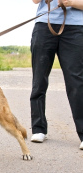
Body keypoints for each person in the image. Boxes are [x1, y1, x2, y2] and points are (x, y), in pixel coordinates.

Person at [30, 0, 83, 150]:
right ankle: (38, 128)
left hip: (76, 28)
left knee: (76, 82)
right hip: (44, 25)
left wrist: (71, 2)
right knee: (39, 80)